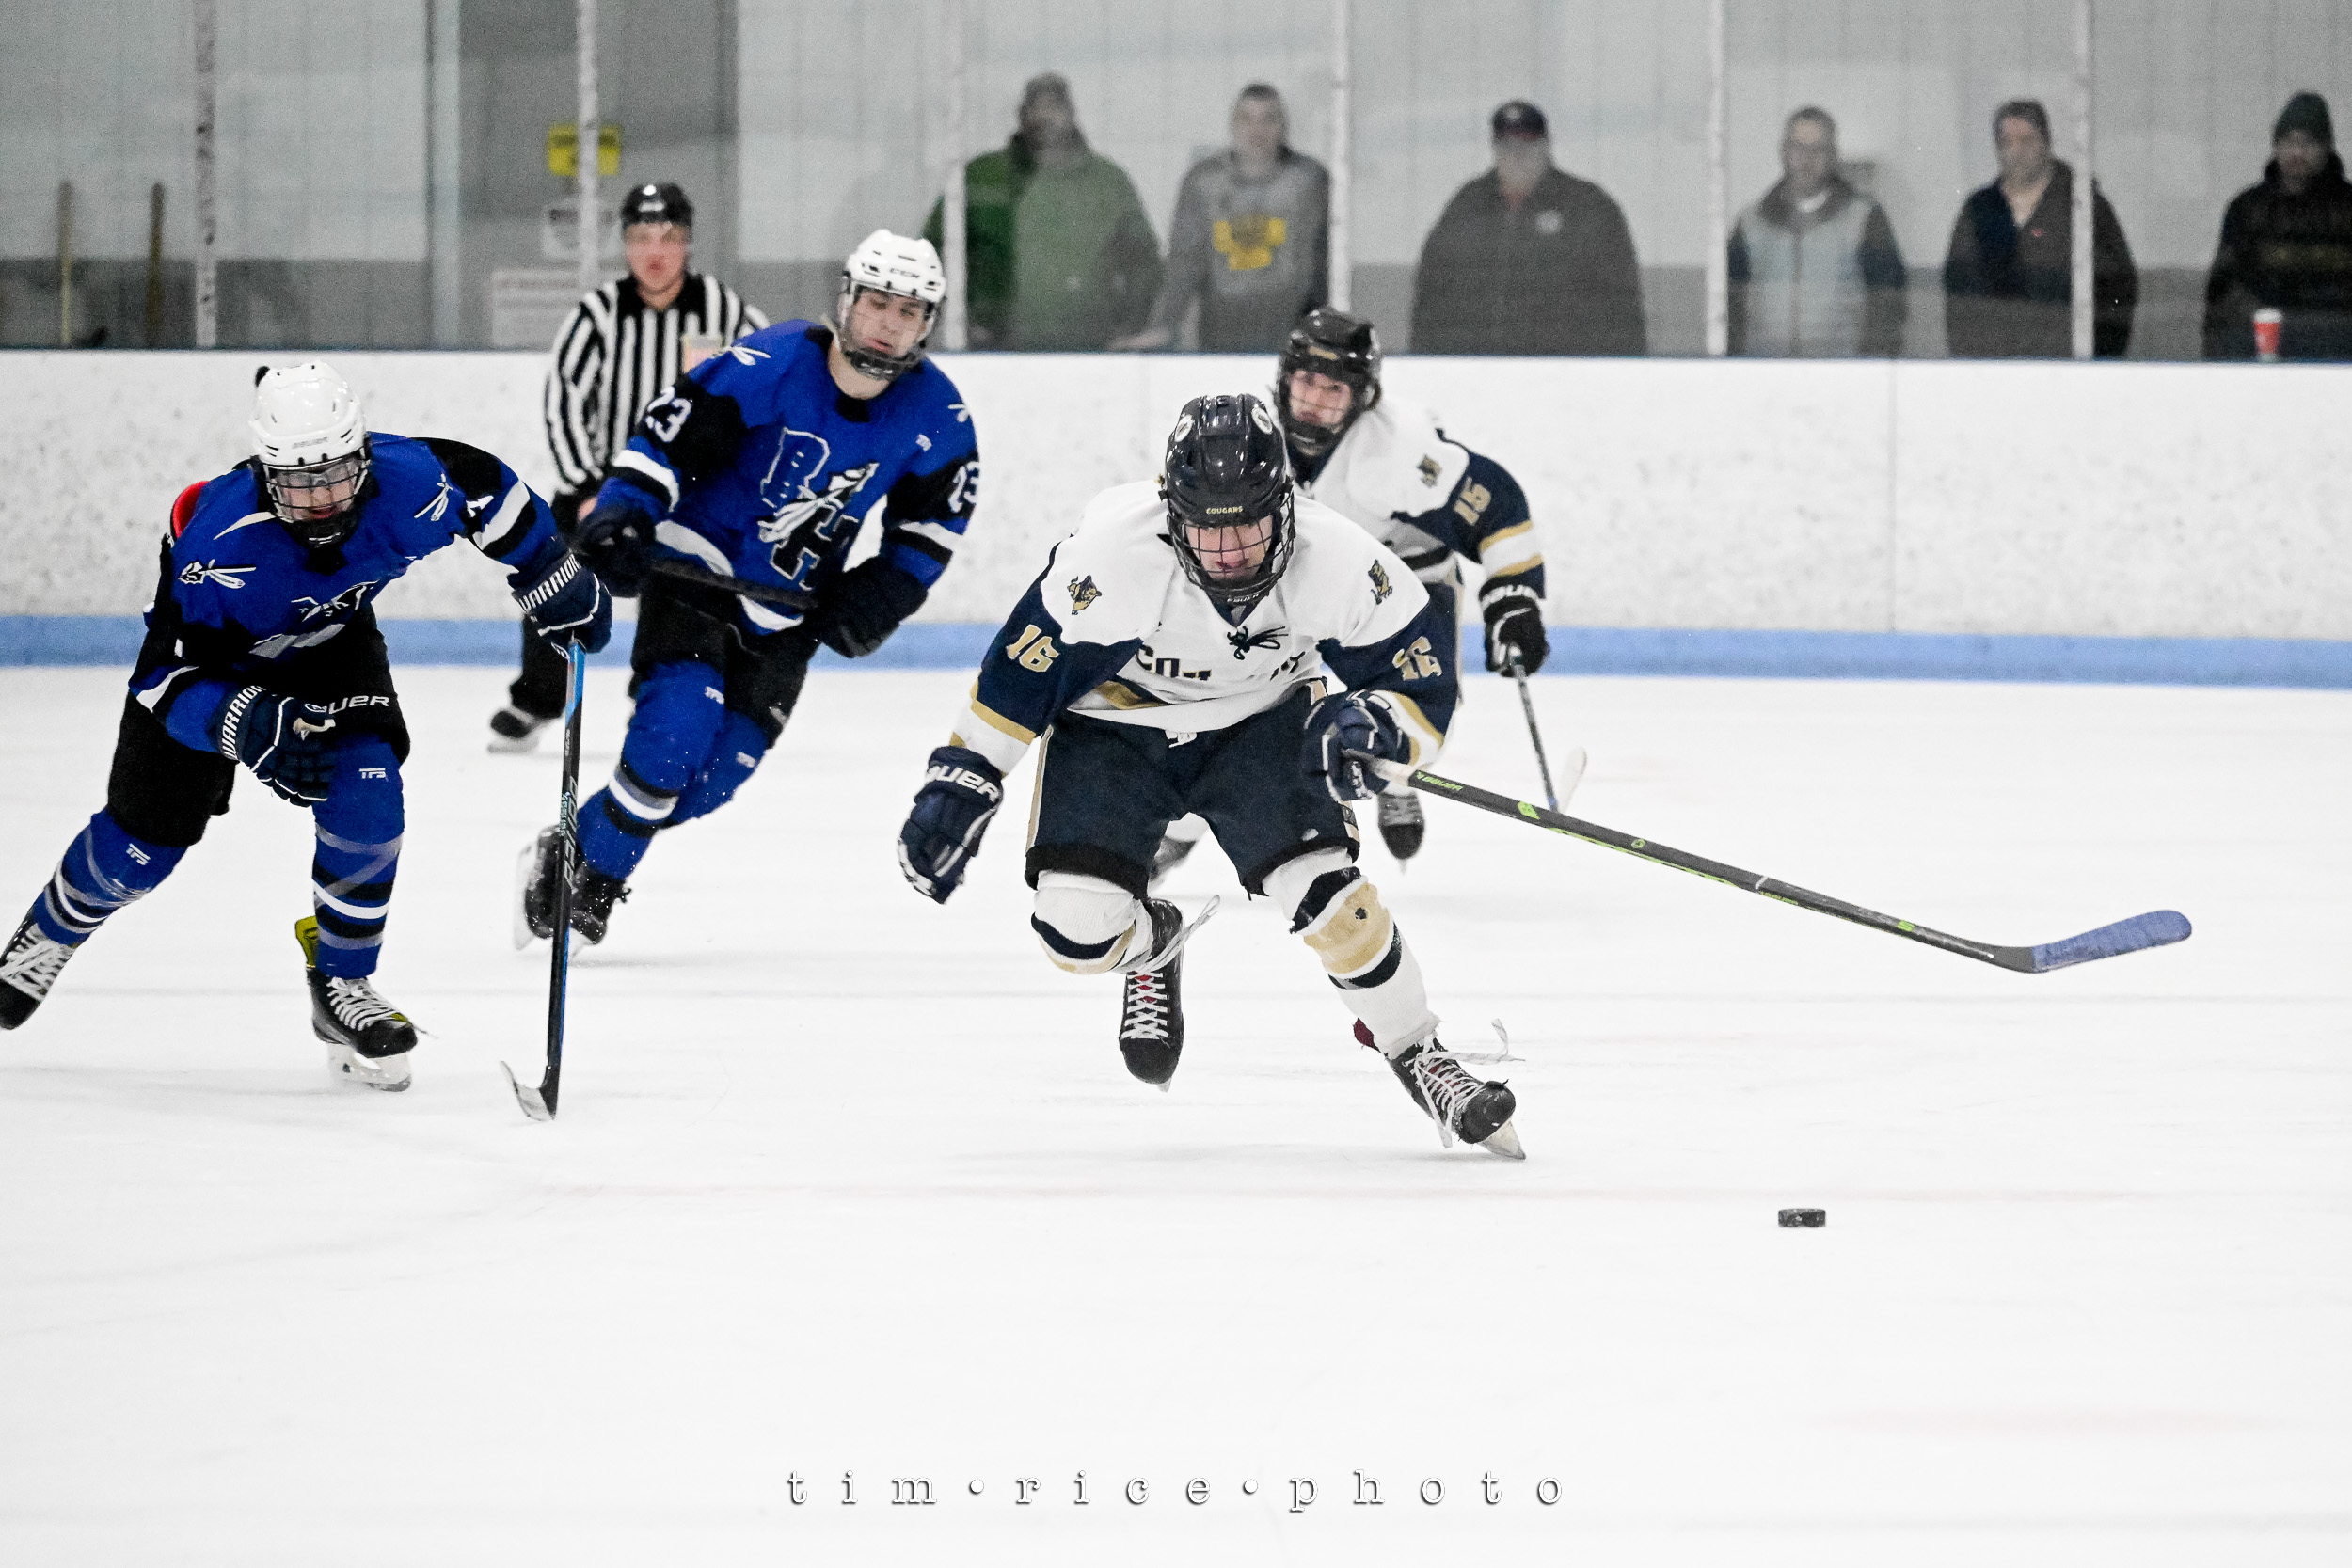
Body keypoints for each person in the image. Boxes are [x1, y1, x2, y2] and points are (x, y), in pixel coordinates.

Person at [895, 392, 1524, 1159]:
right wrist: (963, 774)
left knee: (1335, 905)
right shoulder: (1108, 558)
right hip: (1115, 727)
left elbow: (1421, 682)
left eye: (1248, 526)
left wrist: (1379, 725)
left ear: (1284, 505)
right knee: (1074, 933)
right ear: (1171, 513)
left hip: (1263, 724)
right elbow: (1019, 677)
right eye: (1206, 527)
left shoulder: (1338, 558)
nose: (1227, 552)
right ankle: (1155, 942)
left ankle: (1419, 1052)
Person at [0, 364, 611, 1091]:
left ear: (363, 456)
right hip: (214, 672)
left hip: (331, 644)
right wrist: (248, 724)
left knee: (370, 794)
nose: (321, 499)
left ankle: (342, 984)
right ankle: (51, 929)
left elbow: (487, 488)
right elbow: (162, 677)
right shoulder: (216, 543)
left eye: (335, 476)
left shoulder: (411, 481)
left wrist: (548, 569)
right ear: (266, 474)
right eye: (299, 483)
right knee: (141, 850)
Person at [520, 231, 979, 944]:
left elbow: (930, 528)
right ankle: (595, 882)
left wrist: (886, 591)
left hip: (790, 611)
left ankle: (576, 842)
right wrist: (624, 513)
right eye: (877, 302)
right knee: (674, 738)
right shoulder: (772, 363)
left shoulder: (938, 416)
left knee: (713, 781)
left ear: (928, 324)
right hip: (695, 571)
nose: (889, 323)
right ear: (847, 300)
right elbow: (665, 443)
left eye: (909, 311)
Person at [1155, 307, 1546, 876]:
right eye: (1305, 381)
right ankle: (1178, 830)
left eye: (1334, 389)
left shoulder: (1401, 450)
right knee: (1236, 699)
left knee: (1423, 698)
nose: (1313, 401)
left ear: (1363, 396)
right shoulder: (1248, 440)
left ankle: (1397, 777)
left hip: (1405, 581)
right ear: (1284, 378)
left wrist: (1515, 597)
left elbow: (1496, 503)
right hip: (1299, 583)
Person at [488, 182, 766, 752]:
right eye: (641, 237)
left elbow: (765, 399)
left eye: (668, 236)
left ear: (688, 242)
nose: (654, 251)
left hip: (694, 498)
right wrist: (588, 487)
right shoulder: (597, 314)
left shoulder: (729, 313)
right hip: (608, 487)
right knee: (550, 571)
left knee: (696, 598)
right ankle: (538, 697)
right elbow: (565, 400)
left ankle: (671, 702)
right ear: (625, 243)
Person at [922, 72, 1162, 350]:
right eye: (1034, 107)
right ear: (1021, 115)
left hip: (1091, 350)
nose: (1044, 116)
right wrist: (948, 324)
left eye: (1054, 107)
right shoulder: (982, 176)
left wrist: (1128, 328)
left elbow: (1146, 264)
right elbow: (931, 254)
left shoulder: (1107, 182)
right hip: (993, 351)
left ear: (1071, 114)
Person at [1410, 100, 1645, 356]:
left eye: (1526, 144)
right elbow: (1433, 290)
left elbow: (1621, 303)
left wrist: (1623, 366)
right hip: (1477, 365)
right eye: (1506, 145)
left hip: (1564, 365)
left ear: (1545, 145)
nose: (1516, 154)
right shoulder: (1470, 204)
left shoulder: (1587, 206)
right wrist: (1426, 359)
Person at [1112, 85, 1329, 352]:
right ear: (1232, 125)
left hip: (1290, 340)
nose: (1257, 131)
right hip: (1220, 340)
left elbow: (1323, 266)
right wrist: (1164, 326)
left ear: (1283, 127)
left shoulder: (1307, 181)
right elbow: (1184, 264)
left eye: (1268, 119)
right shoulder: (1205, 183)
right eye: (1246, 119)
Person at [1942, 99, 2136, 358]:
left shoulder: (2083, 207)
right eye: (2007, 142)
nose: (2017, 151)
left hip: (2067, 367)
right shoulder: (1980, 210)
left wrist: (2097, 366)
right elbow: (1958, 293)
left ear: (2047, 143)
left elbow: (2118, 289)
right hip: (1994, 368)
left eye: (2027, 140)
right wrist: (1972, 363)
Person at [1728, 106, 1908, 356]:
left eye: (1818, 149)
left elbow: (1888, 309)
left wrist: (1870, 370)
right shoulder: (1751, 224)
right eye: (1798, 148)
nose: (1807, 159)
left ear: (1833, 155)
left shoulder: (1865, 220)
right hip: (1767, 372)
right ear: (1783, 151)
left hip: (1842, 373)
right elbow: (1731, 311)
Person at [2202, 91, 2352, 360]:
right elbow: (2223, 291)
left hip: (2339, 352)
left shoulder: (2347, 208)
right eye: (2288, 141)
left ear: (2327, 147)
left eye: (2308, 142)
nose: (2297, 152)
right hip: (2261, 348)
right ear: (2276, 146)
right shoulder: (2247, 209)